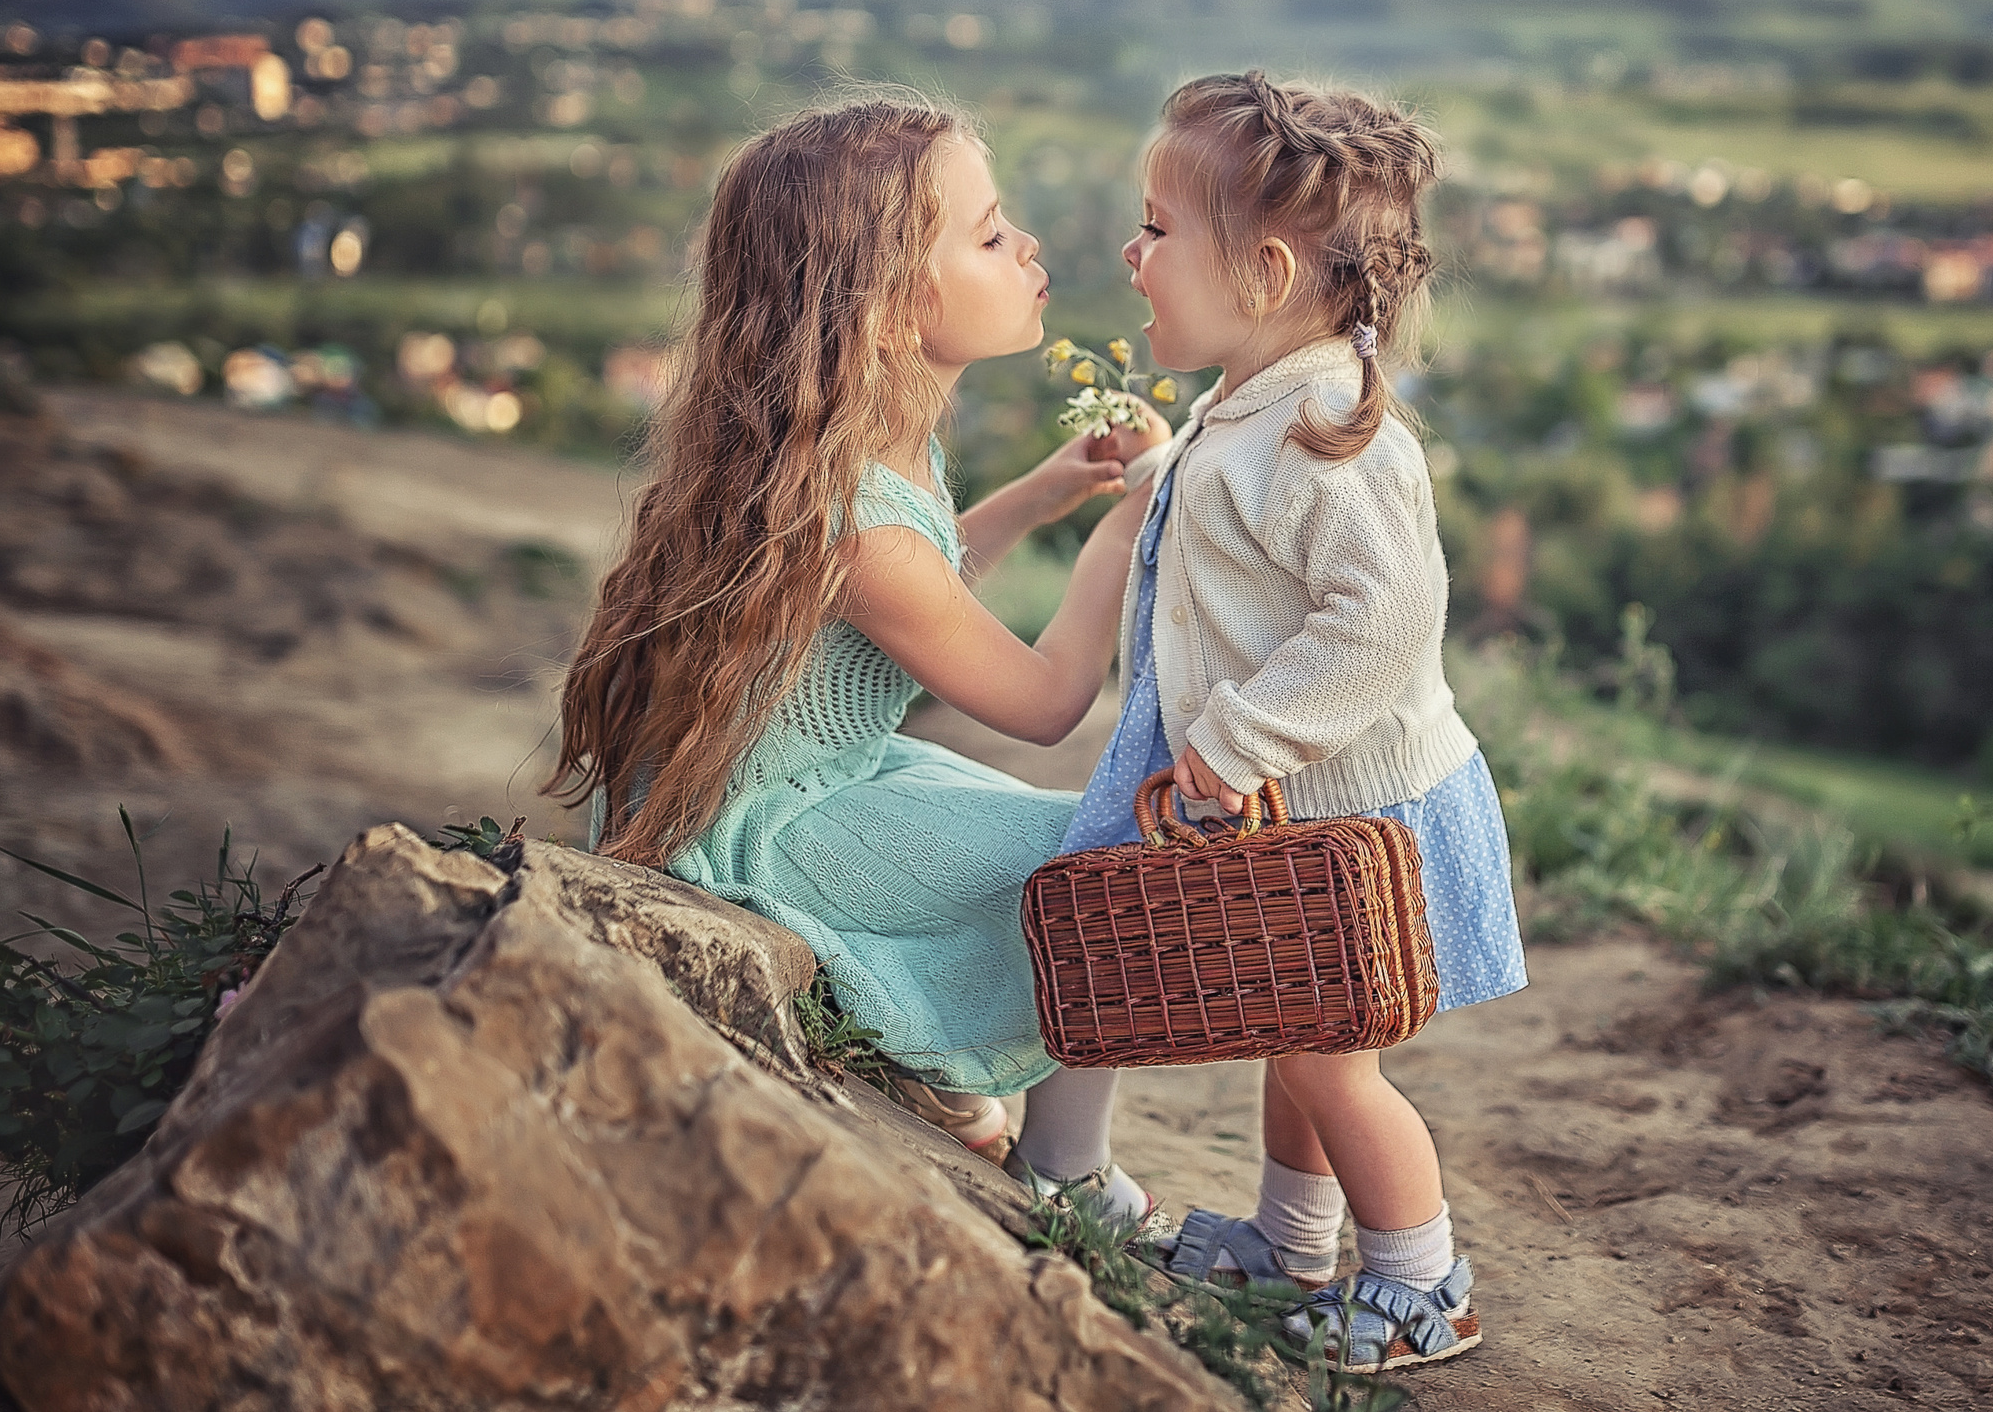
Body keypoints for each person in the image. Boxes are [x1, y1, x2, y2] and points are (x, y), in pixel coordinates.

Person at [550, 89, 1170, 1229]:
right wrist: (1127, 537)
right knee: (1111, 858)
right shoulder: (859, 522)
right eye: (988, 236)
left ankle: (929, 1072)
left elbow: (916, 590)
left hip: (814, 787)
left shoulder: (860, 449)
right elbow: (1040, 705)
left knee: (1051, 837)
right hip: (770, 830)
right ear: (887, 308)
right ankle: (1066, 1170)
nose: (1026, 247)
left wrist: (1037, 497)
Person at [1062, 71, 1526, 1373]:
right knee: (1295, 1033)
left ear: (1264, 272)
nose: (1130, 252)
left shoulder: (1331, 427)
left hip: (1365, 812)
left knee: (1332, 1066)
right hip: (1315, 819)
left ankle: (1425, 1281)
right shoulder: (1264, 395)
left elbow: (1381, 623)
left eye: (1156, 226)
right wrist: (1160, 477)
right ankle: (1290, 1241)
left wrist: (1242, 736)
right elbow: (1241, 531)